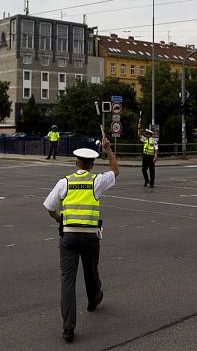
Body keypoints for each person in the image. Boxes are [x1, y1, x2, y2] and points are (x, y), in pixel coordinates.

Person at [43, 137, 120, 343]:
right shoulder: (96, 181)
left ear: (76, 163)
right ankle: (94, 297)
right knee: (91, 269)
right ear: (92, 165)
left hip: (68, 236)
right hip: (90, 237)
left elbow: (50, 208)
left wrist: (61, 219)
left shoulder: (64, 182)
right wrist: (108, 150)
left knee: (67, 281)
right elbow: (115, 170)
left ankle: (68, 328)